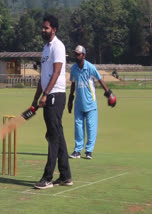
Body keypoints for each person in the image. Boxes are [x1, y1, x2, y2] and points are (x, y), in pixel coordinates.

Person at [32, 15, 73, 189]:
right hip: (48, 95)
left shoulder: (58, 46)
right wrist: (35, 98)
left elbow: (56, 73)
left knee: (53, 137)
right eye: (43, 27)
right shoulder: (45, 48)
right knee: (58, 135)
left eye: (46, 28)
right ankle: (65, 176)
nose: (43, 30)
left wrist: (46, 94)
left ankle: (48, 178)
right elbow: (43, 76)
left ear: (54, 29)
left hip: (55, 96)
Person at [68, 45, 116, 160]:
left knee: (91, 127)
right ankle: (77, 150)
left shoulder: (90, 67)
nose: (76, 56)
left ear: (84, 55)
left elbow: (100, 80)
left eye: (78, 54)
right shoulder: (73, 68)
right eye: (75, 54)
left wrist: (109, 93)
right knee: (78, 127)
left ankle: (89, 151)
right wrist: (70, 99)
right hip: (78, 103)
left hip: (90, 103)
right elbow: (73, 84)